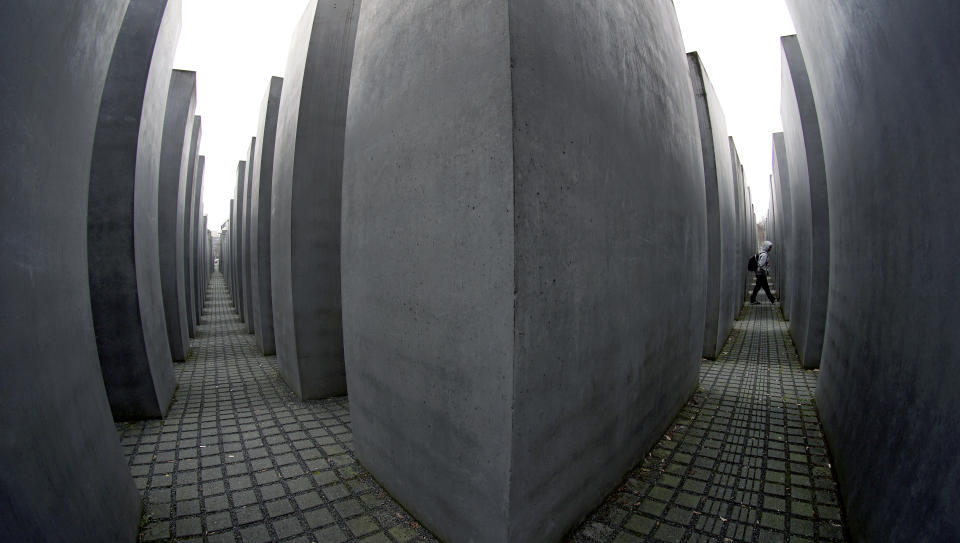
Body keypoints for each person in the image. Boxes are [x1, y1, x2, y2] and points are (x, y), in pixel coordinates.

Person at [750, 241, 776, 305]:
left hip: (760, 274)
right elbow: (760, 264)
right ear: (767, 247)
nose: (770, 248)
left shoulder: (763, 253)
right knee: (764, 287)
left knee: (760, 287)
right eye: (770, 247)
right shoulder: (764, 255)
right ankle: (771, 299)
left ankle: (772, 299)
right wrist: (766, 268)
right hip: (761, 274)